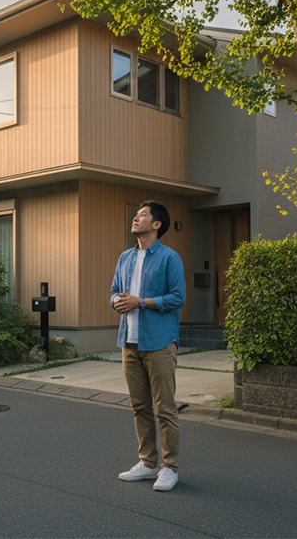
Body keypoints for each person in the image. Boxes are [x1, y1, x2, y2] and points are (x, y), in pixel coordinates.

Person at [110, 200, 186, 492]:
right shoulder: (125, 257)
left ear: (156, 225)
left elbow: (178, 297)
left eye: (142, 215)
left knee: (165, 408)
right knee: (139, 407)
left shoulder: (169, 258)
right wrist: (117, 301)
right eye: (136, 214)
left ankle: (170, 468)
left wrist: (141, 302)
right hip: (129, 341)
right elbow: (115, 291)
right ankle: (147, 462)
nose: (136, 218)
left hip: (159, 343)